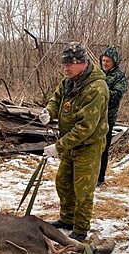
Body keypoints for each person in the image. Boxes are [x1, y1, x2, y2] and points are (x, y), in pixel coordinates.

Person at [38, 42, 109, 242]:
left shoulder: (96, 88)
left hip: (87, 146)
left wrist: (58, 147)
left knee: (83, 189)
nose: (66, 68)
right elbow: (57, 98)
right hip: (70, 144)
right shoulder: (70, 81)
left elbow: (85, 128)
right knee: (63, 182)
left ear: (82, 63)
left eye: (69, 64)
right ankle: (67, 218)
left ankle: (81, 227)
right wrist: (49, 112)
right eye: (65, 64)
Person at [98, 46, 128, 186]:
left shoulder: (120, 77)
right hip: (93, 117)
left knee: (103, 149)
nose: (104, 63)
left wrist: (100, 92)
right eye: (103, 60)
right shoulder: (97, 74)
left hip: (107, 119)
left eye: (108, 61)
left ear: (114, 62)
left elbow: (116, 96)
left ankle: (100, 178)